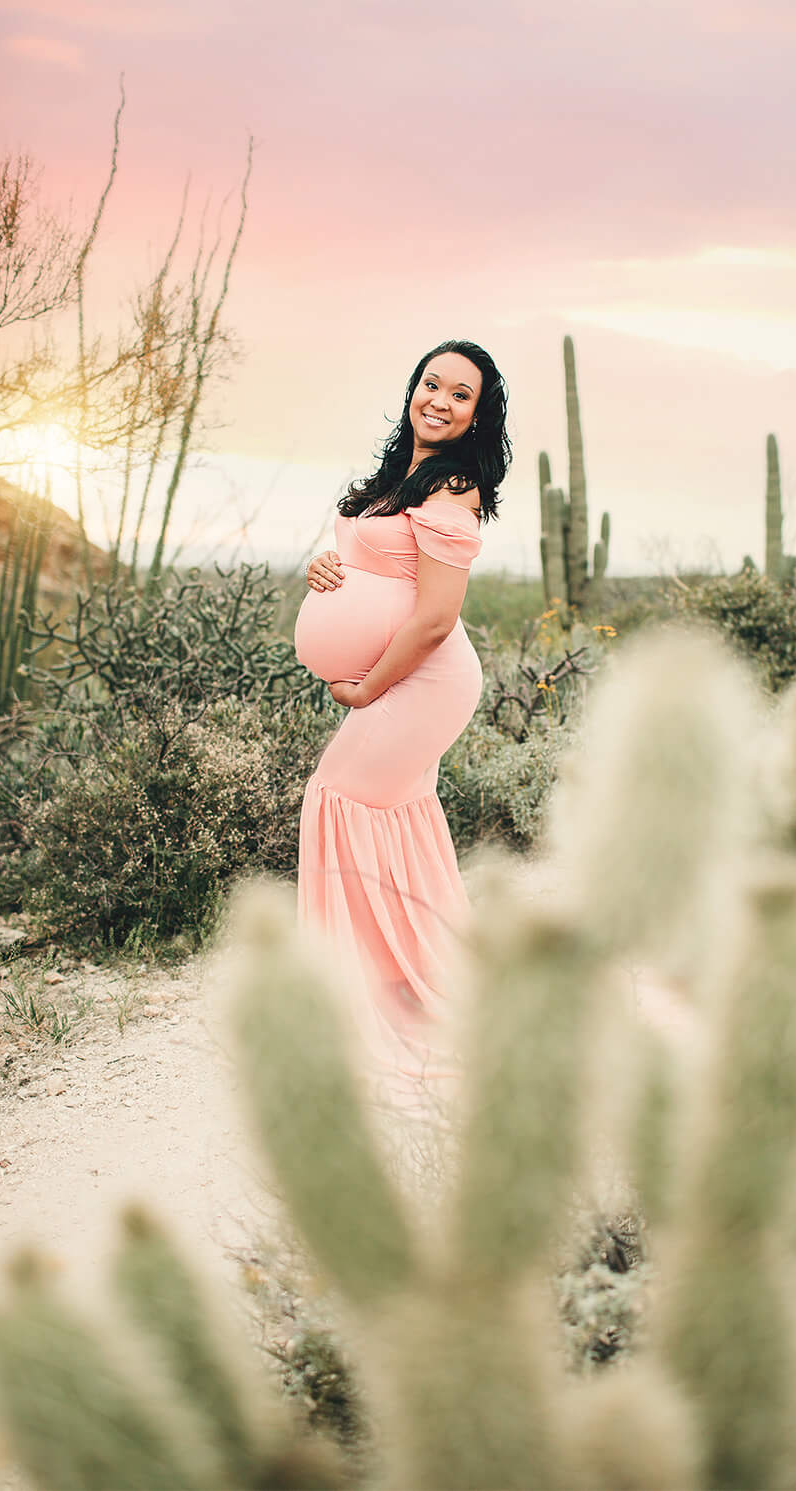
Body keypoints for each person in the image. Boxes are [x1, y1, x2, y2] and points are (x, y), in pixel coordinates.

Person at [291, 340, 508, 1075]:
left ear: (478, 416)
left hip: (425, 680)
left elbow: (435, 620)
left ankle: (364, 992)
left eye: (460, 395)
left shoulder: (452, 492)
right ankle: (408, 982)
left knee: (337, 796)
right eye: (431, 384)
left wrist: (366, 687)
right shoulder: (400, 478)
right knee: (399, 815)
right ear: (412, 389)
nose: (438, 401)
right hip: (401, 678)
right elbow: (370, 563)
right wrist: (327, 566)